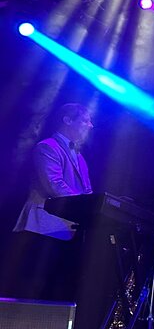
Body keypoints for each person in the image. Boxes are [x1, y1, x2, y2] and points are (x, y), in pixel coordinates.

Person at [9, 103, 94, 301]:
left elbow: (88, 191)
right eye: (85, 120)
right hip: (42, 228)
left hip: (66, 230)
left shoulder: (80, 157)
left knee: (56, 292)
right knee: (32, 288)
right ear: (67, 120)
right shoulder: (47, 147)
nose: (90, 125)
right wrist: (86, 206)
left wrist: (96, 206)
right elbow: (53, 184)